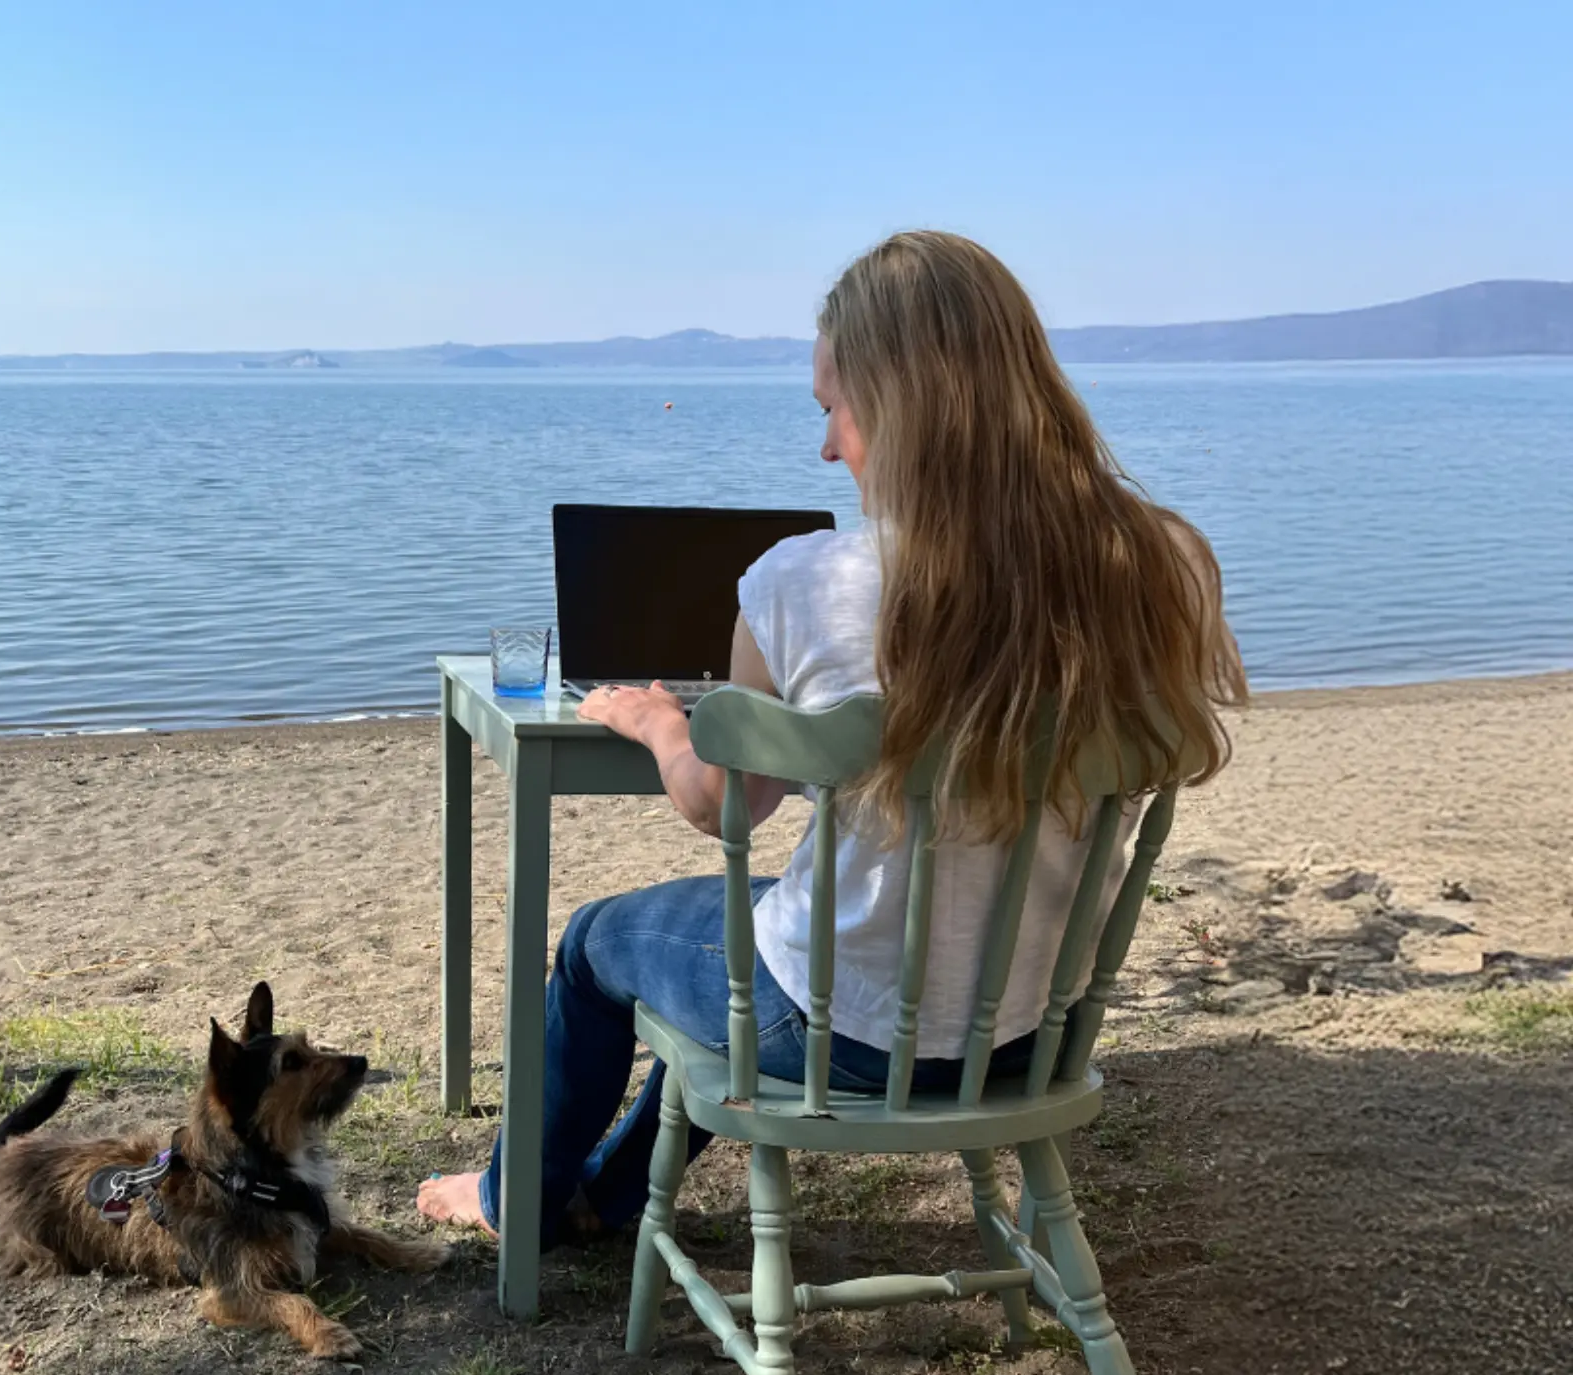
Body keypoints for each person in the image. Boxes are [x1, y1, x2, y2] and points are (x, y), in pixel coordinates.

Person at [418, 230, 1247, 1242]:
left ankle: (514, 1203)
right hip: (1031, 1028)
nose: (824, 448)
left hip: (841, 1035)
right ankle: (615, 1187)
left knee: (597, 941)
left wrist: (656, 721)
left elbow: (725, 806)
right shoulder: (1159, 561)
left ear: (898, 405)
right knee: (776, 930)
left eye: (830, 410)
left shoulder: (801, 582)